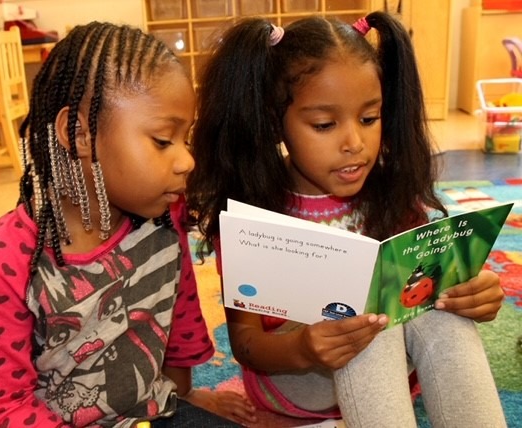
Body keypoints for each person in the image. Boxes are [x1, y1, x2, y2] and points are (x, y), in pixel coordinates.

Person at [186, 11, 507, 427]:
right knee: (364, 311)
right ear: (274, 121)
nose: (355, 143)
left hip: (389, 371)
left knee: (434, 309)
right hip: (296, 377)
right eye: (324, 124)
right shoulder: (254, 212)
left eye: (369, 118)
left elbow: (423, 287)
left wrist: (471, 294)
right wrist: (304, 348)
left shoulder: (391, 194)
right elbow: (246, 344)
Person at [0, 21, 256, 428]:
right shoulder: (4, 260)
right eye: (163, 140)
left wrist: (185, 396)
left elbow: (180, 306)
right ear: (79, 134)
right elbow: (2, 410)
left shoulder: (165, 220)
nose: (187, 160)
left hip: (152, 410)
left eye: (185, 139)